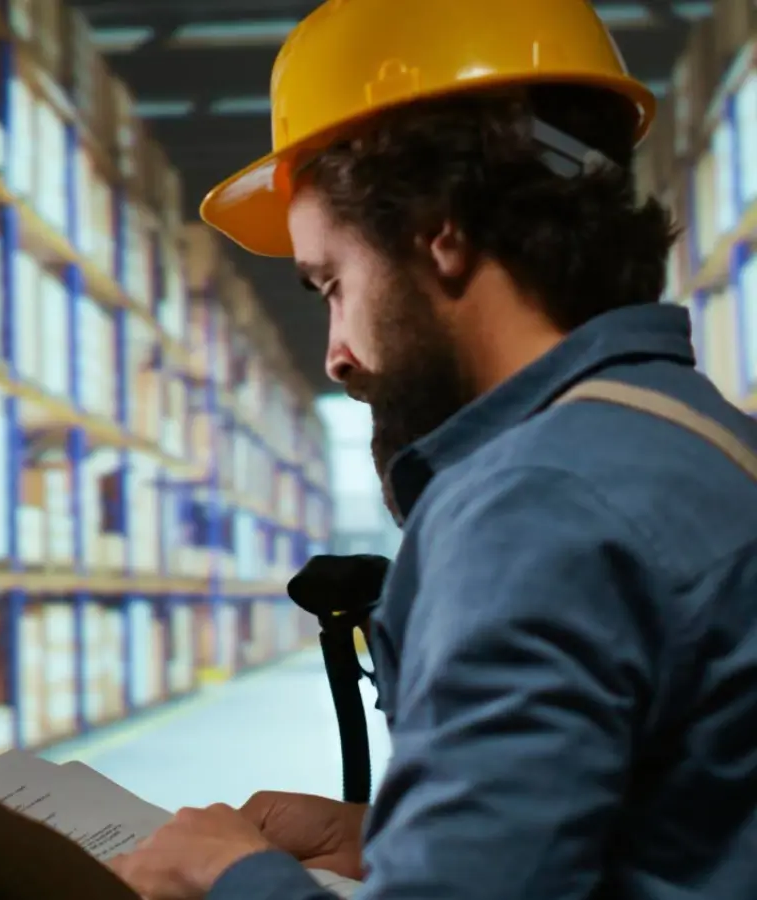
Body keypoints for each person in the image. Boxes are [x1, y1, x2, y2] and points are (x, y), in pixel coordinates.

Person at [106, 1, 757, 898]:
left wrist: (227, 877)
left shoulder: (535, 503)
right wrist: (384, 840)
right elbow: (669, 839)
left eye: (332, 284)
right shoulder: (695, 441)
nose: (336, 354)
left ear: (439, 229)